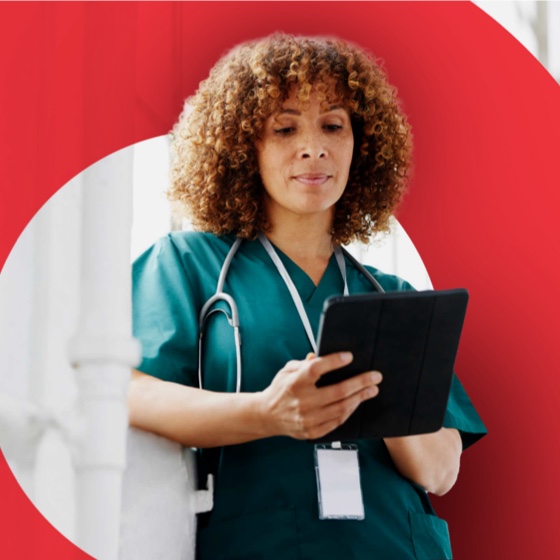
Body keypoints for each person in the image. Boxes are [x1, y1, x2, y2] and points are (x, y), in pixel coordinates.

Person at [129, 33, 487, 560]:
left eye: (333, 125)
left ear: (360, 145)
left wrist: (380, 392)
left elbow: (440, 471)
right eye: (285, 127)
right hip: (261, 542)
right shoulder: (190, 266)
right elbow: (128, 390)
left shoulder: (393, 298)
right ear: (243, 145)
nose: (313, 147)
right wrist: (267, 413)